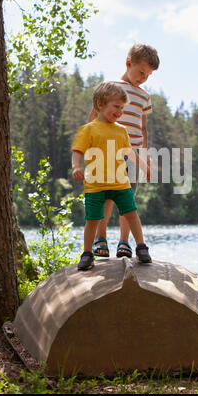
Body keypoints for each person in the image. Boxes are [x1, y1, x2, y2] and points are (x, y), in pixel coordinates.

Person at [88, 44, 160, 259]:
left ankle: (124, 242)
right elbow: (93, 116)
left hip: (134, 154)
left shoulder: (144, 96)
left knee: (127, 198)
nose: (143, 78)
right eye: (141, 72)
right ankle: (100, 238)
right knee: (107, 197)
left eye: (148, 75)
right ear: (129, 64)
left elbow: (143, 127)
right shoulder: (109, 87)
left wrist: (145, 157)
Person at [71, 81, 152, 271]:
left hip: (120, 183)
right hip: (95, 185)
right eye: (116, 106)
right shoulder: (88, 129)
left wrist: (144, 166)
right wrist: (76, 167)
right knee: (93, 219)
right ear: (100, 104)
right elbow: (78, 151)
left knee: (131, 213)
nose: (120, 111)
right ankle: (87, 253)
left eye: (122, 108)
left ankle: (141, 247)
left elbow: (129, 152)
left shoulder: (121, 130)